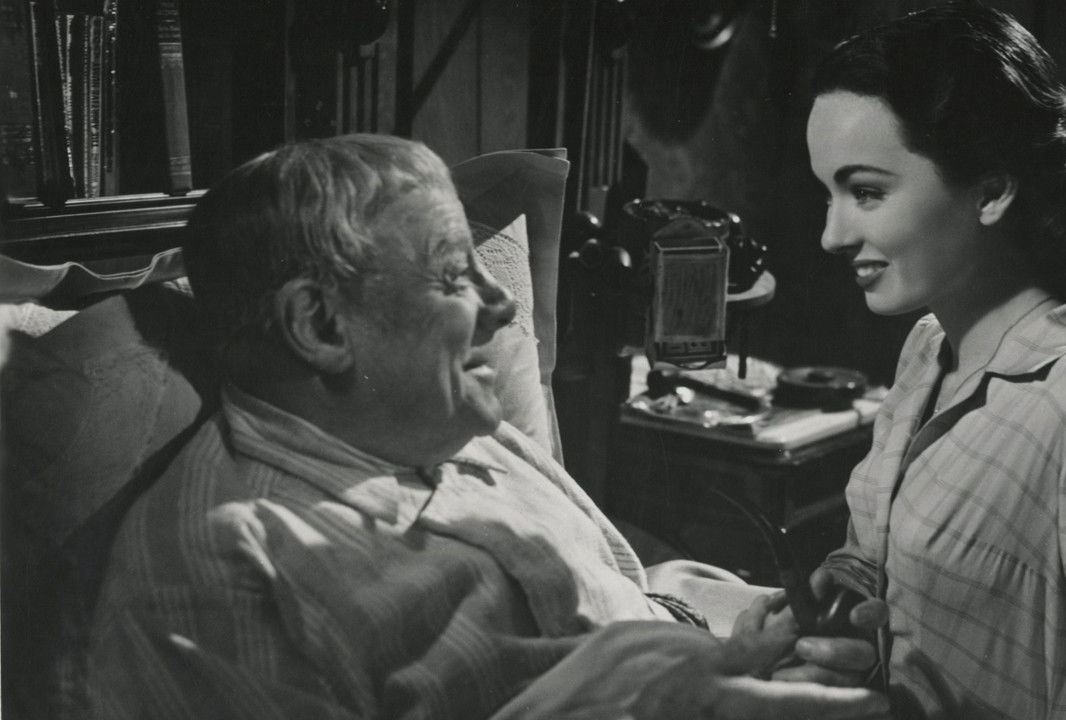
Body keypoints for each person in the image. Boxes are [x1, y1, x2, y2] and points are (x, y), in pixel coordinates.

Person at [82, 134, 889, 720]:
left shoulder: (461, 429)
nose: (501, 305)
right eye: (452, 274)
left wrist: (751, 638)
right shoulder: (222, 570)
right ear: (320, 325)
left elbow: (625, 596)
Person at [797, 3, 1066, 718]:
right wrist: (844, 603)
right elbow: (902, 562)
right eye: (829, 194)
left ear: (992, 191)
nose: (832, 235)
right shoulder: (930, 349)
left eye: (866, 192)